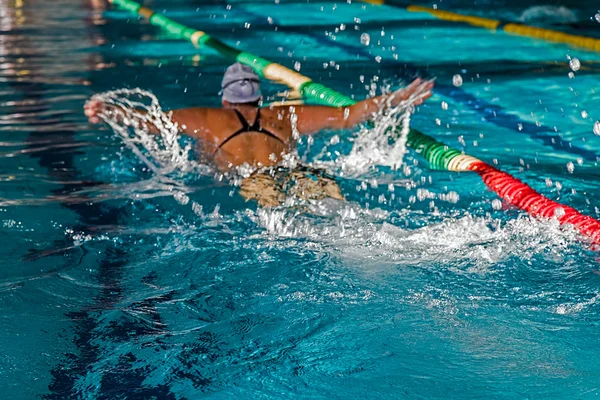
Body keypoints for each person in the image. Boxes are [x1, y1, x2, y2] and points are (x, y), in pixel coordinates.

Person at [85, 63, 433, 206]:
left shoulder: (205, 118)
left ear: (224, 98)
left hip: (253, 182)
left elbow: (148, 121)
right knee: (337, 213)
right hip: (299, 174)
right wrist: (398, 98)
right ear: (259, 97)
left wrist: (106, 110)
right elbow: (348, 116)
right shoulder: (284, 114)